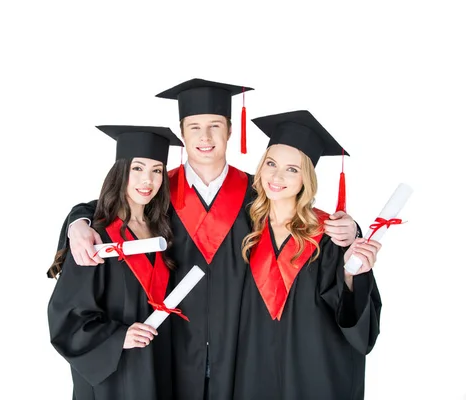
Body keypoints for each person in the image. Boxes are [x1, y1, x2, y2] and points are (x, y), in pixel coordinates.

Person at [63, 79, 361, 400]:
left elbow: (304, 221)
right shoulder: (157, 192)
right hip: (168, 350)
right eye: (194, 127)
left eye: (215, 126)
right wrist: (77, 221)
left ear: (231, 131)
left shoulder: (257, 196)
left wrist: (351, 228)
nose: (205, 138)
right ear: (181, 133)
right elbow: (113, 210)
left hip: (239, 356)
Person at [233, 110, 382, 400]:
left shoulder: (330, 235)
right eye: (271, 164)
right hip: (253, 372)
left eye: (292, 169)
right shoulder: (243, 229)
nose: (277, 176)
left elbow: (353, 318)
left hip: (315, 374)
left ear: (307, 178)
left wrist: (352, 274)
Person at [47, 125, 184, 400]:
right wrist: (117, 336)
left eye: (157, 170)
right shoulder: (96, 237)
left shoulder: (165, 228)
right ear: (121, 171)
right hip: (115, 373)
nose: (148, 180)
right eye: (138, 168)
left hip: (158, 362)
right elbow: (66, 315)